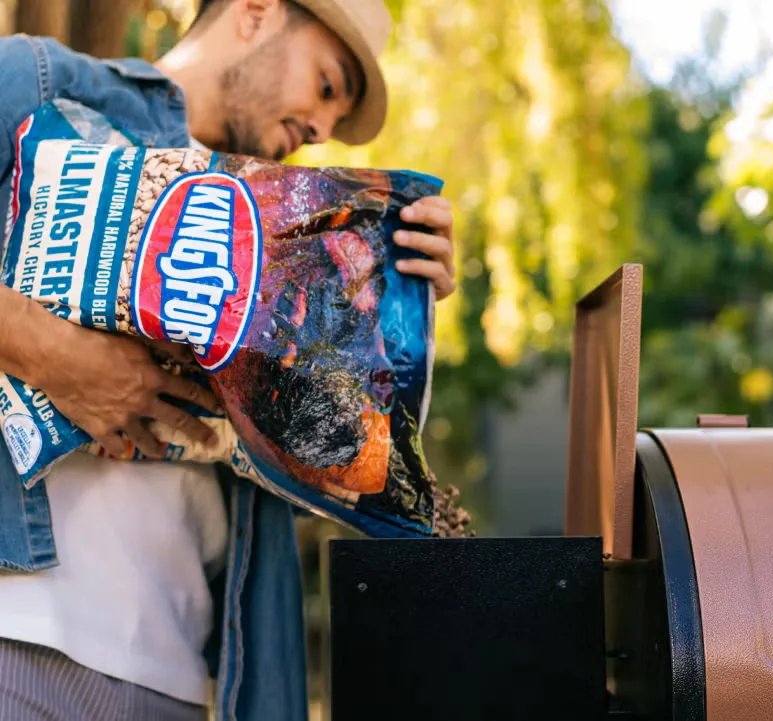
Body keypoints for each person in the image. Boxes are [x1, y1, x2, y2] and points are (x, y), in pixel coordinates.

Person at [0, 1, 456, 720]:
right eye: (328, 84)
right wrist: (54, 353)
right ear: (255, 12)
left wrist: (406, 299)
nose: (323, 128)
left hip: (185, 678)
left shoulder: (297, 240)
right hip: (20, 635)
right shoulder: (43, 80)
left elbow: (342, 457)